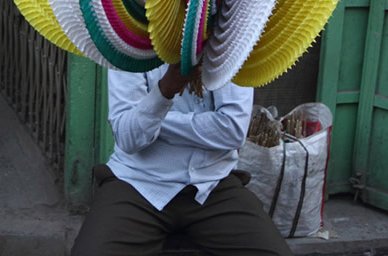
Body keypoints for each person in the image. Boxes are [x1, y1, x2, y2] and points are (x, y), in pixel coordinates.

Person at [70, 63, 293, 256]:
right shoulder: (130, 48)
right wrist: (165, 90)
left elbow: (232, 130)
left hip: (213, 186)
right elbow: (129, 139)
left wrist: (153, 121)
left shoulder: (229, 48)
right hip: (138, 184)